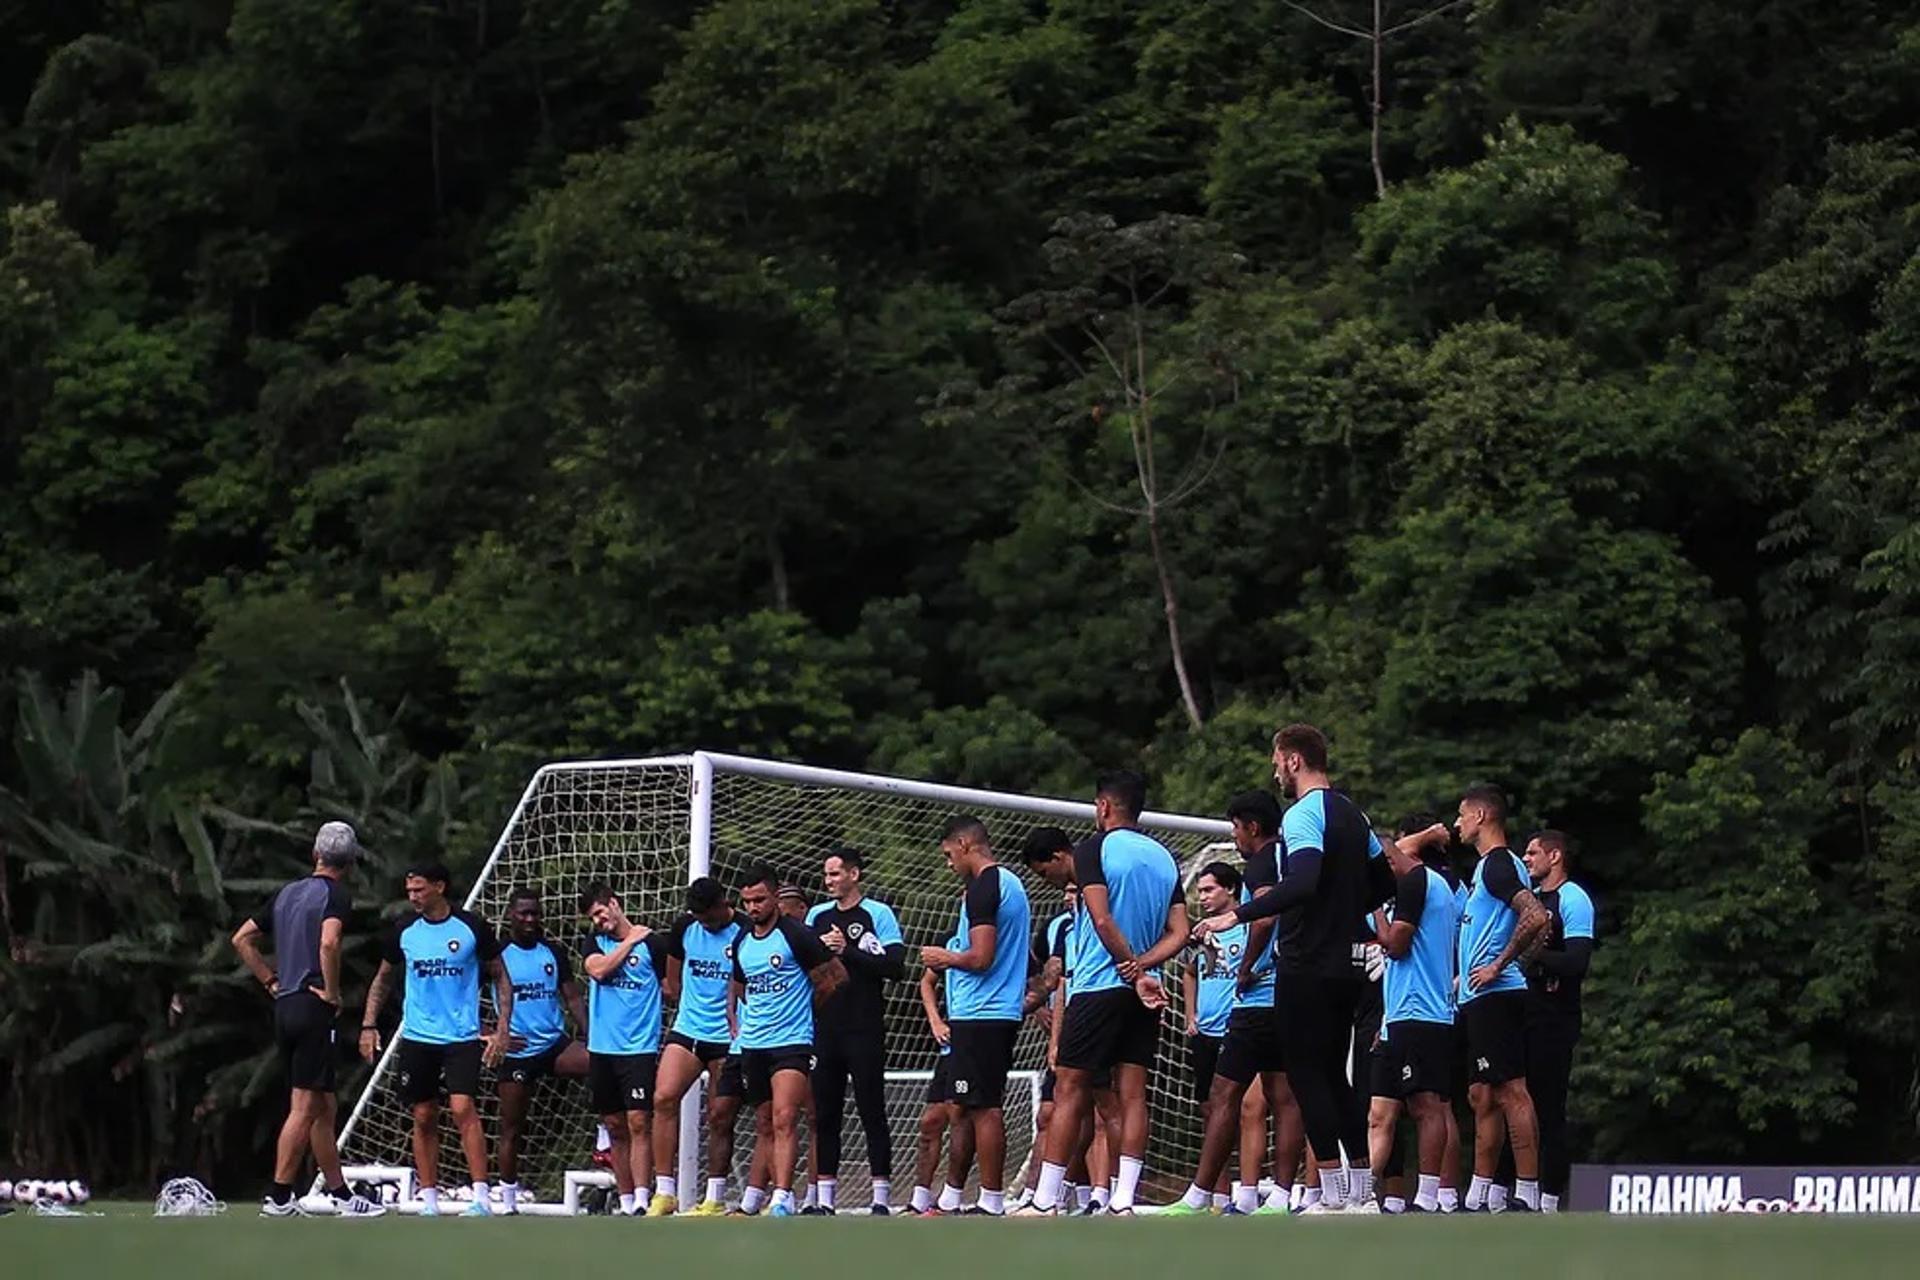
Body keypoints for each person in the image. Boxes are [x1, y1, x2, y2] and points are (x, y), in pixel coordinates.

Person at [1196, 725, 1393, 1212]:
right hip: (1348, 963)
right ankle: (1364, 1193)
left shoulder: (1304, 814)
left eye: (1275, 760)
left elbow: (1302, 882)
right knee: (1333, 1074)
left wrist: (1237, 914)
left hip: (1307, 962)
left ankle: (1330, 1193)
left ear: (1293, 761)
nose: (1274, 770)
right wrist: (1344, 909)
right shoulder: (1355, 814)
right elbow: (1384, 881)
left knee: (1306, 1075)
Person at [1019, 772, 1186, 1217]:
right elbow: (1181, 931)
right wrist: (1145, 968)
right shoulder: (1165, 857)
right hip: (1145, 991)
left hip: (1099, 986)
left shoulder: (1095, 848)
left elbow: (1102, 920)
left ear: (1103, 807)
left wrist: (1130, 969)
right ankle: (1123, 1200)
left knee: (1071, 1086)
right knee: (1133, 1094)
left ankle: (1045, 1199)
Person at [230, 821, 384, 1217]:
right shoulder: (335, 895)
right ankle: (279, 1196)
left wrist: (269, 979)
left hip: (285, 1006)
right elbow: (330, 941)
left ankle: (340, 1193)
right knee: (304, 1104)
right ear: (349, 862)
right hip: (313, 1006)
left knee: (323, 1104)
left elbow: (241, 939)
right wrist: (332, 992)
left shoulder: (287, 893)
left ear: (316, 854)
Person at [1168, 793, 1301, 1217]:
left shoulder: (1262, 861)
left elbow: (1263, 919)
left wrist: (1245, 967)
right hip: (1290, 994)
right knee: (1284, 1095)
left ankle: (1199, 1195)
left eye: (1235, 828)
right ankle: (1279, 1196)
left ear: (1252, 827)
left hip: (1259, 997)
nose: (1234, 836)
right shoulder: (1294, 857)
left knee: (1224, 1093)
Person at [360, 862, 512, 1216]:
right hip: (417, 1036)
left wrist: (502, 1029)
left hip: (461, 1035)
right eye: (409, 890)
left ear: (439, 887)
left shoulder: (471, 927)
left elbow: (500, 976)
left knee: (462, 1108)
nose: (412, 896)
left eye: (419, 889)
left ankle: (481, 1197)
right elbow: (382, 980)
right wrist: (369, 1025)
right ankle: (428, 1199)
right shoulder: (404, 931)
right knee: (424, 1113)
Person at [920, 815, 1032, 1216]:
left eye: (950, 855)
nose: (949, 864)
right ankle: (952, 1195)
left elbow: (982, 957)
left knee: (984, 1106)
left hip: (983, 1013)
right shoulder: (1012, 885)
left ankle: (991, 1198)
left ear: (966, 845)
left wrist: (943, 957)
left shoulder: (985, 886)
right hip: (991, 1013)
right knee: (965, 1104)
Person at [730, 864, 849, 1216]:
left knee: (785, 1117)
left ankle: (783, 1195)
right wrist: (735, 1018)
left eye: (760, 899)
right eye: (748, 901)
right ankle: (756, 1197)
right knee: (764, 1121)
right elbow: (740, 985)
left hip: (792, 1041)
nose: (754, 907)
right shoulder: (742, 940)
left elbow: (836, 977)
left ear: (774, 897)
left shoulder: (796, 935)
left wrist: (804, 1008)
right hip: (754, 1042)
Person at [1454, 785, 1551, 1212]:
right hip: (1480, 996)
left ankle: (1527, 1191)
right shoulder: (1484, 870)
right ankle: (1481, 1191)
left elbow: (1537, 915)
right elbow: (1538, 927)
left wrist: (1500, 966)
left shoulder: (1497, 865)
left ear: (1480, 816)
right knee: (1481, 1094)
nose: (1457, 824)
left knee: (1513, 1091)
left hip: (1496, 995)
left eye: (1461, 815)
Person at [806, 845, 907, 1214]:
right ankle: (824, 1200)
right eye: (826, 874)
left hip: (865, 1027)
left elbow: (895, 967)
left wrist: (847, 950)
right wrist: (820, 948)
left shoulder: (877, 914)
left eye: (835, 873)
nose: (829, 881)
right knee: (825, 1112)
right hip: (824, 1029)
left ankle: (880, 1197)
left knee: (871, 1109)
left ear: (853, 875)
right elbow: (802, 962)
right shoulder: (816, 916)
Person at [1367, 822, 1460, 1213]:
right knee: (1380, 1111)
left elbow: (1397, 946)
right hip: (1399, 1014)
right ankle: (1360, 1191)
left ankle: (1427, 1195)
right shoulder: (1416, 879)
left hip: (1422, 1012)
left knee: (1426, 1106)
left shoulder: (1416, 883)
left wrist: (1374, 907)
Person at [653, 876, 749, 1216]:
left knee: (721, 1117)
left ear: (724, 904)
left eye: (708, 917)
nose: (704, 923)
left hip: (728, 1038)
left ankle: (714, 1196)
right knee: (663, 1098)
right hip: (689, 1029)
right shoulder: (684, 928)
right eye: (698, 918)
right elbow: (674, 980)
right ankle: (664, 1192)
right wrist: (691, 1008)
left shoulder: (745, 930)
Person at [579, 882, 671, 1215]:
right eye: (593, 918)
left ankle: (644, 1199)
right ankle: (626, 1197)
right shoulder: (596, 942)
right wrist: (630, 941)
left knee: (638, 1122)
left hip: (639, 1048)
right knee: (614, 1126)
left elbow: (670, 987)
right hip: (603, 1048)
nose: (599, 921)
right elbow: (599, 971)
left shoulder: (654, 944)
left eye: (601, 913)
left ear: (615, 904)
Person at [496, 886, 588, 1214]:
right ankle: (507, 1196)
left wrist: (592, 1035)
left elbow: (573, 997)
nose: (530, 919)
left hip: (554, 1045)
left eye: (535, 913)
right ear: (511, 914)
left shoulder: (553, 952)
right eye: (524, 913)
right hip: (518, 1050)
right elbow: (463, 994)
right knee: (512, 1125)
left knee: (603, 1063)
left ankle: (607, 1140)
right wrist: (488, 1034)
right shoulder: (497, 954)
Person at [1521, 829, 1594, 1214]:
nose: (1527, 859)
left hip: (1555, 1016)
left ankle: (1549, 1198)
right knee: (1517, 1105)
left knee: (1549, 1108)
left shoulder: (1573, 899)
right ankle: (1520, 1191)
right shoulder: (1529, 899)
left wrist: (1531, 957)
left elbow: (1577, 961)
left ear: (1555, 856)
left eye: (1533, 852)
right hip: (1524, 1014)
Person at [1165, 862, 1242, 1214]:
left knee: (1246, 1111)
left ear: (1231, 889)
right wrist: (1190, 1016)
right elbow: (1189, 972)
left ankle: (1251, 1190)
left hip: (1239, 1029)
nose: (1203, 897)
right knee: (1211, 1113)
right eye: (1200, 890)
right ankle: (1219, 1195)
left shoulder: (1248, 927)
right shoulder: (1198, 933)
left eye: (1209, 889)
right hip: (1205, 1031)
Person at [911, 962, 959, 1215]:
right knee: (931, 1121)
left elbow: (1036, 979)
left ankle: (953, 1196)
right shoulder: (949, 940)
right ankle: (921, 1196)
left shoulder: (999, 938)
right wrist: (936, 1021)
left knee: (963, 1116)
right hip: (951, 1046)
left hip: (981, 1037)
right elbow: (926, 981)